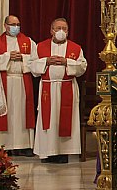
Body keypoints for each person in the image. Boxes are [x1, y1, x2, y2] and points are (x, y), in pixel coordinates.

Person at [30, 18, 87, 163]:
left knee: (65, 120)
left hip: (67, 87)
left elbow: (82, 67)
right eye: (58, 28)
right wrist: (46, 61)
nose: (61, 31)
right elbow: (32, 66)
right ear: (51, 30)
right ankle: (47, 152)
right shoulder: (40, 47)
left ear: (68, 32)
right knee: (48, 121)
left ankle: (63, 152)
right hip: (47, 89)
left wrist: (66, 61)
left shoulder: (76, 48)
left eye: (64, 28)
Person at [0, 15, 37, 156]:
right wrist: (7, 56)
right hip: (4, 82)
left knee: (22, 113)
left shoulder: (28, 42)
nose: (15, 27)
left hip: (22, 81)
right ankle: (5, 146)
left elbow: (36, 61)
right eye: (12, 24)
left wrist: (22, 57)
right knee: (7, 113)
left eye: (17, 24)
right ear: (5, 26)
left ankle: (24, 146)